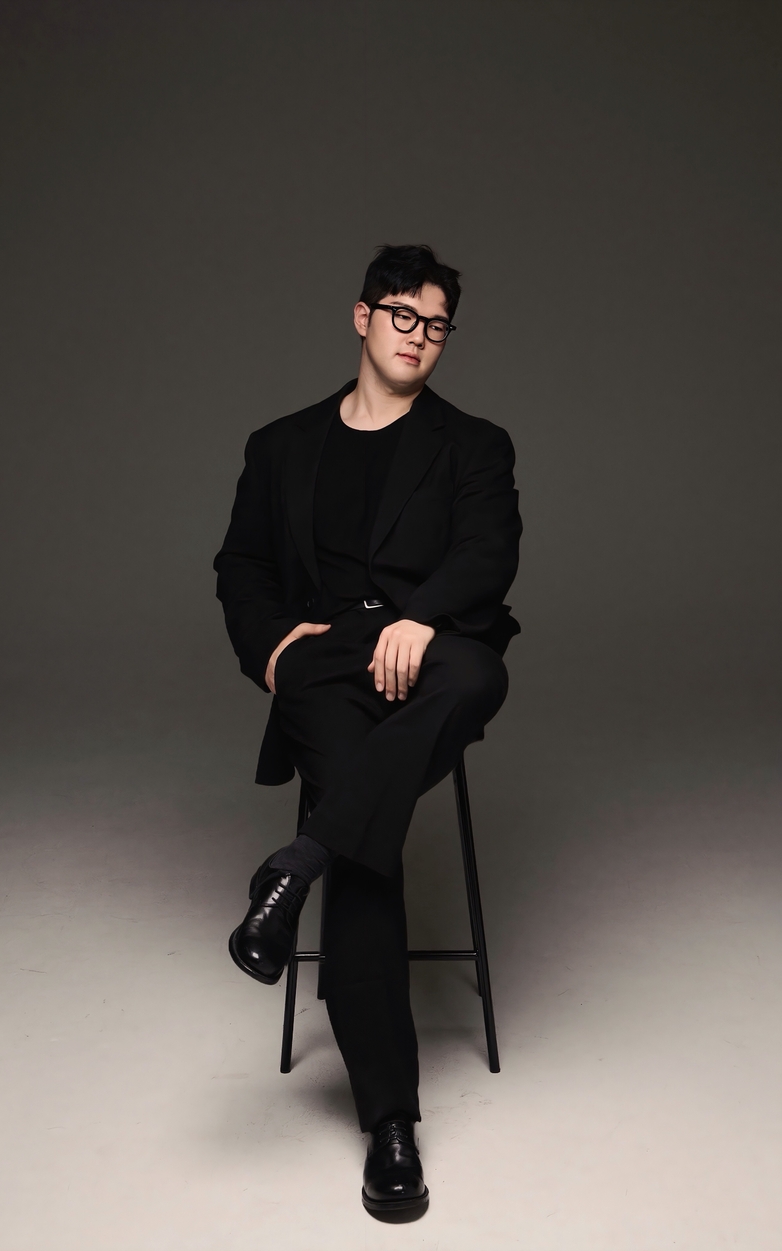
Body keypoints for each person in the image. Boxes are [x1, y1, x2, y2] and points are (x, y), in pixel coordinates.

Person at [213, 243, 521, 1215]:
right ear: (362, 317)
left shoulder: (475, 444)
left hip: (428, 656)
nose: (418, 337)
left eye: (436, 325)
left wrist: (419, 618)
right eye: (402, 316)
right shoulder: (280, 445)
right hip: (325, 668)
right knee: (368, 838)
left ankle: (296, 866)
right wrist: (273, 652)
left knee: (476, 671)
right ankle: (391, 1123)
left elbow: (489, 553)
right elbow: (241, 567)